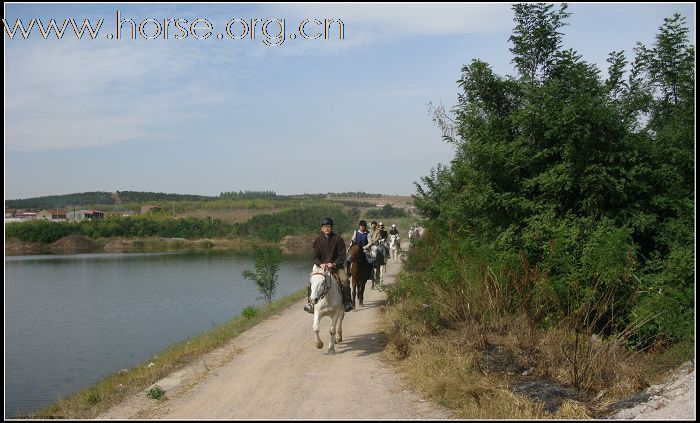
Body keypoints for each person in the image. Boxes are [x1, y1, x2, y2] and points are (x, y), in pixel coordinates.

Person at [304, 217, 354, 314]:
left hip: (336, 267)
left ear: (332, 227)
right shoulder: (317, 240)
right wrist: (321, 264)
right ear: (321, 228)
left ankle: (348, 302)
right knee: (311, 282)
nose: (326, 228)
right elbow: (315, 257)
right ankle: (310, 303)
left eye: (328, 226)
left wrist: (334, 263)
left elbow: (342, 255)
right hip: (321, 267)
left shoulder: (338, 239)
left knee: (345, 280)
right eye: (324, 227)